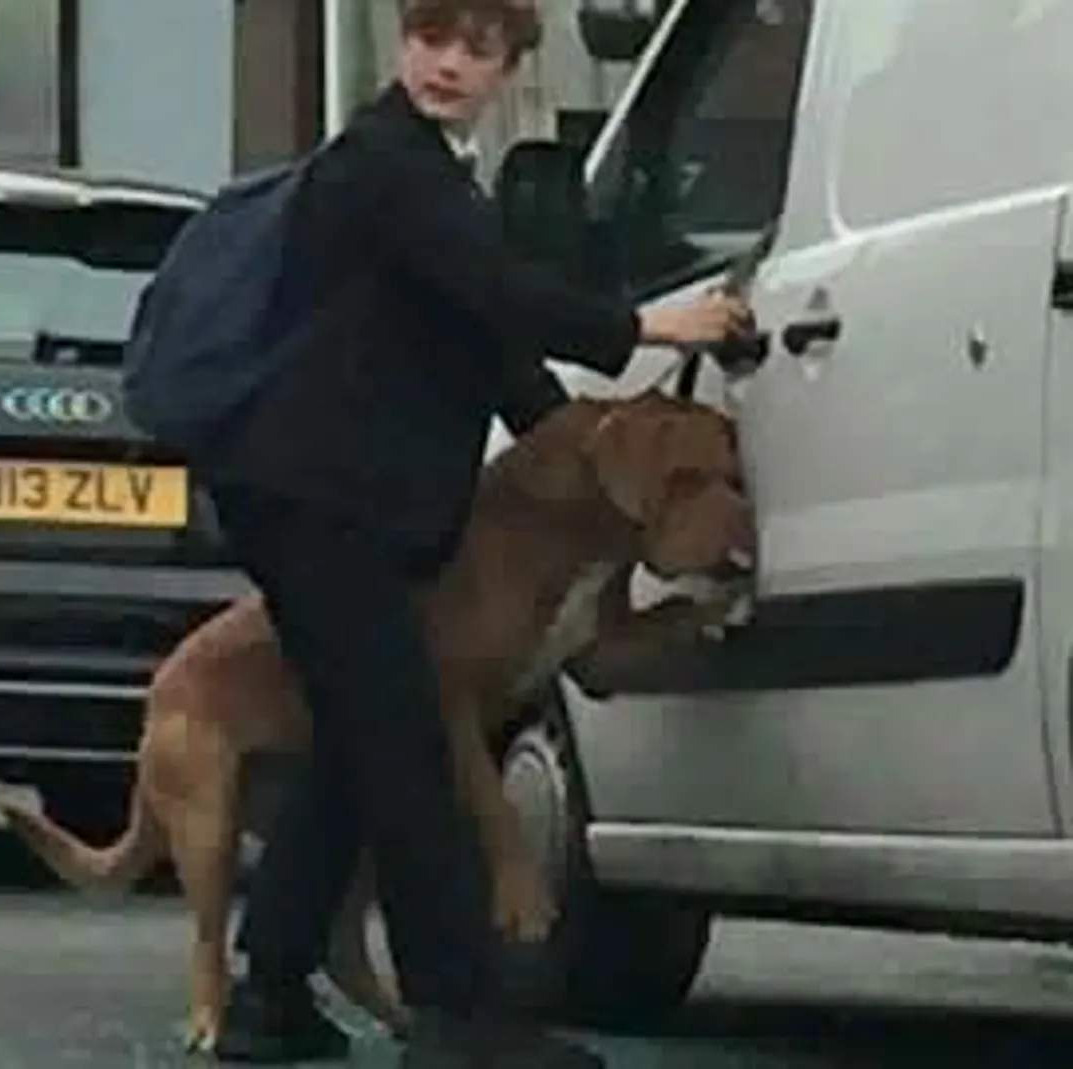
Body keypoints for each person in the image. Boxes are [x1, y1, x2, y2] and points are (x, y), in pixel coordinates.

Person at [193, 2, 749, 1066]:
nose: (449, 64)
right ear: (404, 46)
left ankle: (268, 1000)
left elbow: (480, 337)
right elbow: (498, 293)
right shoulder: (384, 165)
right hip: (321, 501)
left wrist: (577, 442)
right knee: (402, 743)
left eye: (477, 49)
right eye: (432, 40)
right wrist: (644, 327)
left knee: (356, 746)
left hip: (323, 499)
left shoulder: (431, 177)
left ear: (506, 68)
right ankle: (459, 1016)